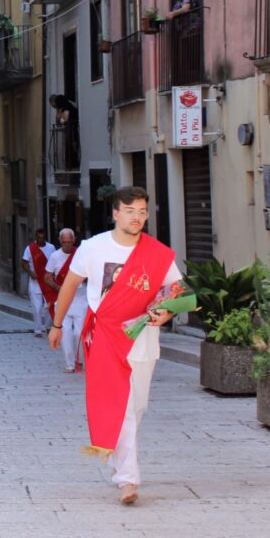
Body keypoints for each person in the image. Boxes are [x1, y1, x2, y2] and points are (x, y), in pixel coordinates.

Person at [49, 187, 182, 506]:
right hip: (106, 337)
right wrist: (57, 324)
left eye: (142, 212)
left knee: (136, 406)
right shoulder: (92, 248)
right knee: (123, 410)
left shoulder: (156, 253)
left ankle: (117, 458)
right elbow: (69, 284)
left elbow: (176, 287)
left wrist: (166, 311)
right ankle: (128, 479)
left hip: (143, 339)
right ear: (115, 213)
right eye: (130, 210)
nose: (137, 217)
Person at [45, 228, 86, 373]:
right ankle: (70, 363)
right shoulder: (54, 256)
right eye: (64, 242)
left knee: (79, 333)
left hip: (80, 299)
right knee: (66, 333)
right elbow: (47, 277)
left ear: (74, 240)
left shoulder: (81, 254)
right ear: (60, 241)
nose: (67, 245)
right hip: (63, 301)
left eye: (69, 242)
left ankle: (79, 360)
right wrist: (59, 288)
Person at [22, 228, 58, 337]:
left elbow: (55, 262)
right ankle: (38, 329)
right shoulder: (30, 249)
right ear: (36, 237)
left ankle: (47, 326)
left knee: (49, 306)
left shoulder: (51, 247)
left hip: (48, 282)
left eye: (43, 237)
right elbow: (23, 262)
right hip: (35, 282)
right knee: (37, 307)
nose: (41, 239)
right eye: (39, 237)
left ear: (45, 237)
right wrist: (30, 272)